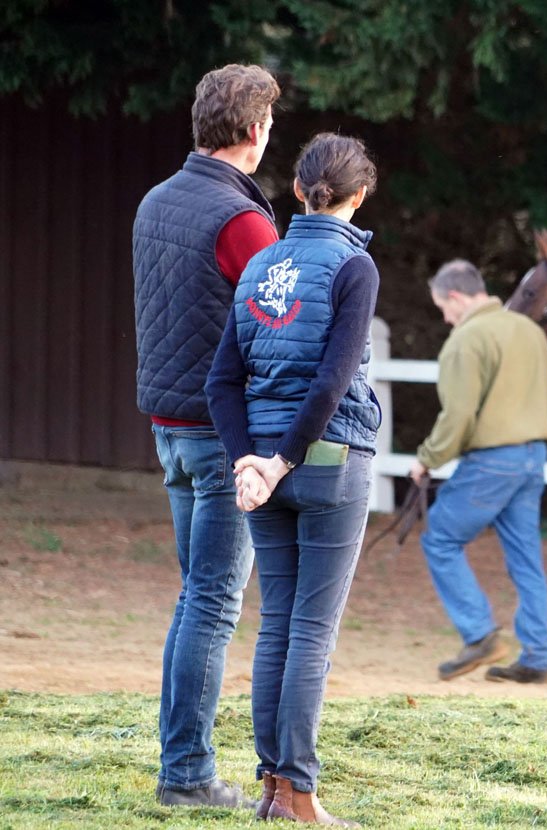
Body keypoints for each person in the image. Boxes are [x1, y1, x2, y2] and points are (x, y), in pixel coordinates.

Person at [205, 132, 381, 827]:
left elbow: (222, 382)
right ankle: (300, 796)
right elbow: (333, 381)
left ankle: (273, 789)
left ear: (299, 190)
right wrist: (282, 460)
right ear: (358, 196)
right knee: (311, 631)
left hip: (263, 470)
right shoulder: (355, 266)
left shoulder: (259, 265)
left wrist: (249, 460)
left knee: (276, 625)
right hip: (329, 463)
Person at [131, 63, 279, 809]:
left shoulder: (155, 201)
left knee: (195, 599)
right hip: (225, 438)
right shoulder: (242, 221)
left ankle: (180, 761)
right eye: (269, 125)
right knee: (214, 605)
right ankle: (187, 774)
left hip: (170, 429)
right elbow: (282, 324)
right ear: (253, 130)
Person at [412, 259, 547, 684]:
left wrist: (427, 458)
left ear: (456, 297)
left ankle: (480, 635)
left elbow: (458, 414)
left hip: (493, 460)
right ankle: (538, 657)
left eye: (443, 308)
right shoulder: (529, 330)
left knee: (440, 536)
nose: (446, 318)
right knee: (526, 558)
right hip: (533, 455)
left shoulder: (467, 339)